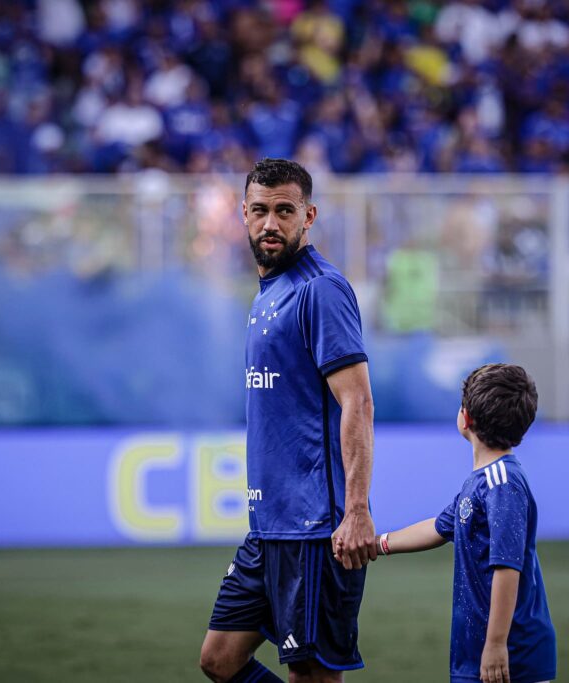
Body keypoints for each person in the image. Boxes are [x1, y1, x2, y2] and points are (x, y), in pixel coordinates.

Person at [199, 158, 377, 683]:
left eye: (284, 210)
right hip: (270, 527)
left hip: (317, 528)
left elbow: (359, 403)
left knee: (312, 676)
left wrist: (358, 510)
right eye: (259, 211)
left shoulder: (319, 289)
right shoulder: (269, 294)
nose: (270, 223)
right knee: (219, 659)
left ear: (309, 215)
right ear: (244, 216)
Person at [374, 363, 556, 683]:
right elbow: (440, 527)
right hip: (474, 651)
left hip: (512, 656)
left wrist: (497, 644)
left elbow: (507, 567)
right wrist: (377, 544)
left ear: (466, 418)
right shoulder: (482, 481)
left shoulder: (503, 483)